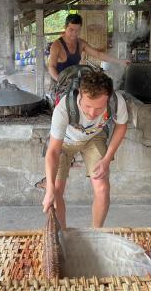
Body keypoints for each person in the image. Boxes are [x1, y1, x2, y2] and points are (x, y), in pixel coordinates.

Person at [42, 70, 128, 229]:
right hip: (65, 142)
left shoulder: (117, 101)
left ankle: (96, 233)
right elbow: (53, 151)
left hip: (93, 138)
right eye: (87, 106)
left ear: (108, 99)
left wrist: (107, 159)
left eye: (99, 108)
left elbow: (121, 126)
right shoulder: (64, 108)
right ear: (80, 94)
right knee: (56, 190)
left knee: (102, 188)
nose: (92, 113)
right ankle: (63, 235)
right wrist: (50, 190)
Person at [47, 14, 129, 81]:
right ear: (65, 27)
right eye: (71, 30)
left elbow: (98, 54)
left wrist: (119, 61)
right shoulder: (56, 45)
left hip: (74, 81)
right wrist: (60, 81)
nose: (74, 33)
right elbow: (51, 67)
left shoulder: (81, 43)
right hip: (58, 82)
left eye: (77, 30)